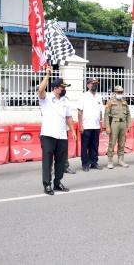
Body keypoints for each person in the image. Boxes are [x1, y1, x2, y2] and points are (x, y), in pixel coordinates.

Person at [38, 66, 76, 195]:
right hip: (48, 134)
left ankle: (57, 182)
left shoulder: (66, 100)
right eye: (62, 87)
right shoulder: (46, 98)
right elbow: (40, 89)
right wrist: (47, 75)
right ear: (55, 88)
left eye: (65, 87)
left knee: (60, 161)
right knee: (47, 161)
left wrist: (73, 130)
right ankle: (47, 184)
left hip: (62, 135)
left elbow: (69, 117)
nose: (64, 89)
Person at [78, 78, 103, 172]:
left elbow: (100, 111)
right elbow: (80, 111)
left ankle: (94, 162)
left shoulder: (99, 96)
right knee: (85, 146)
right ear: (88, 85)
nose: (95, 85)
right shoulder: (83, 96)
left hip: (96, 126)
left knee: (95, 145)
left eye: (96, 83)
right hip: (86, 125)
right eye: (93, 83)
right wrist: (81, 125)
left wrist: (101, 123)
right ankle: (85, 164)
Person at [104, 86, 131, 169]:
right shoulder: (110, 102)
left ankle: (121, 160)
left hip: (123, 123)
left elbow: (128, 115)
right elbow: (106, 116)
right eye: (118, 92)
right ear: (115, 92)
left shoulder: (124, 102)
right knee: (112, 142)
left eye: (121, 92)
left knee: (122, 143)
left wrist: (128, 125)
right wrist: (107, 127)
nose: (120, 94)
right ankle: (110, 161)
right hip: (114, 123)